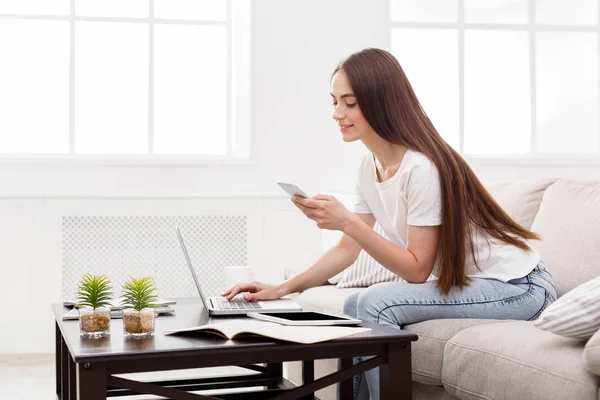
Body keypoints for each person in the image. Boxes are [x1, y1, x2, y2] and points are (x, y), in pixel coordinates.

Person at [222, 47, 557, 400]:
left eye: (349, 103)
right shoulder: (370, 167)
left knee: (372, 303)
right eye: (334, 101)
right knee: (355, 306)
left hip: (519, 287)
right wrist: (280, 288)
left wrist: (349, 222)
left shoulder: (423, 168)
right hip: (481, 283)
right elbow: (346, 251)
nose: (337, 113)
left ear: (382, 102)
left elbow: (416, 269)